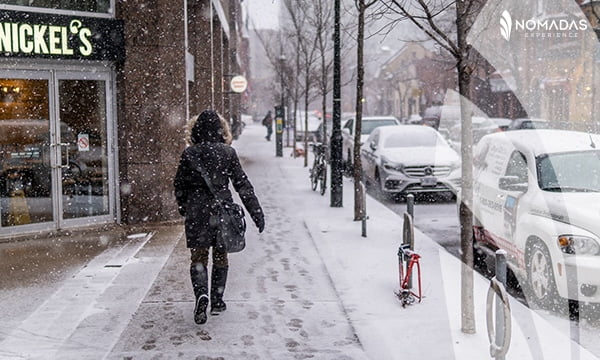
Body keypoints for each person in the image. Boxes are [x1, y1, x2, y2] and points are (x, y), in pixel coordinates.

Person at [174, 109, 265, 325]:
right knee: (220, 256)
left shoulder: (189, 154)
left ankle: (201, 295)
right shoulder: (227, 153)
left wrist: (184, 207)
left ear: (195, 131)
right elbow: (242, 185)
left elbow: (179, 184)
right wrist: (256, 213)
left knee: (198, 258)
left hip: (197, 213)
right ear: (220, 130)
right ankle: (217, 300)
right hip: (221, 211)